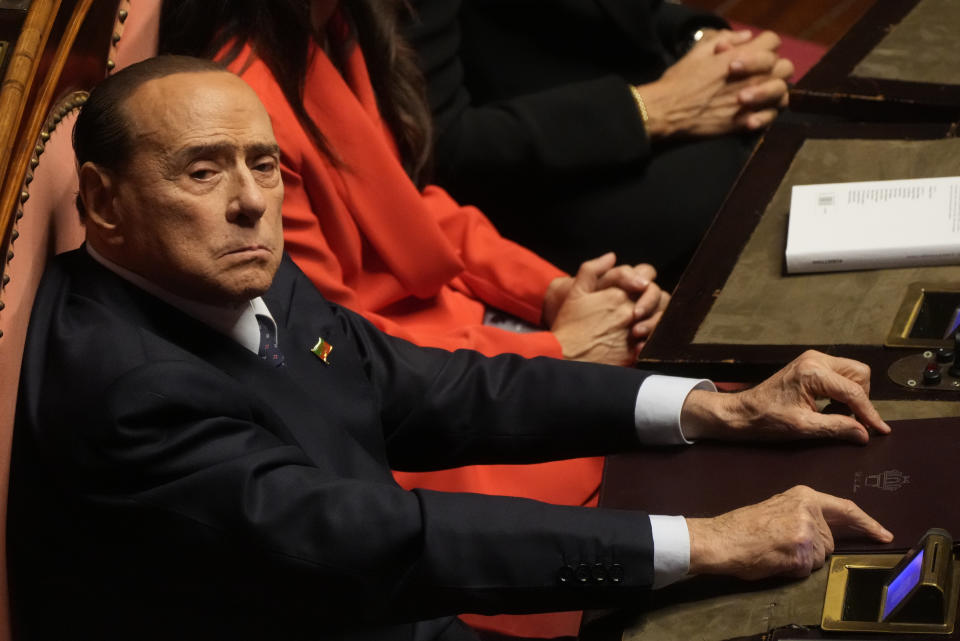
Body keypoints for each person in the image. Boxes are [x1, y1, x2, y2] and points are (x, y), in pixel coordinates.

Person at [9, 56, 894, 641]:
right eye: (203, 171)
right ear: (104, 201)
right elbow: (389, 541)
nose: (251, 202)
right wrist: (707, 541)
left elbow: (432, 391)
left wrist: (713, 405)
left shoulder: (232, 268)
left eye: (265, 164)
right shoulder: (125, 391)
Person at [156, 0, 670, 518]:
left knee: (678, 372)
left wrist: (553, 292)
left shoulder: (336, 28)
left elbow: (410, 206)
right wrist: (554, 350)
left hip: (450, 329)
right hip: (400, 386)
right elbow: (326, 343)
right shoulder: (245, 102)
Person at [404, 0, 794, 289]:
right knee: (757, 183)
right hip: (531, 181)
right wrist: (657, 107)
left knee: (803, 129)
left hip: (635, 92)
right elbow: (440, 145)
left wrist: (697, 39)